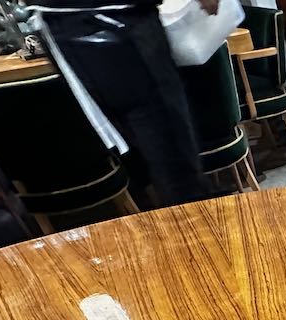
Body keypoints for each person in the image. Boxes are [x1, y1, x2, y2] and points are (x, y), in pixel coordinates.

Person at [31, 0, 215, 206]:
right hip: (111, 21)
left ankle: (178, 225)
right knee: (177, 170)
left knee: (145, 166)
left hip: (68, 26)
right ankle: (194, 228)